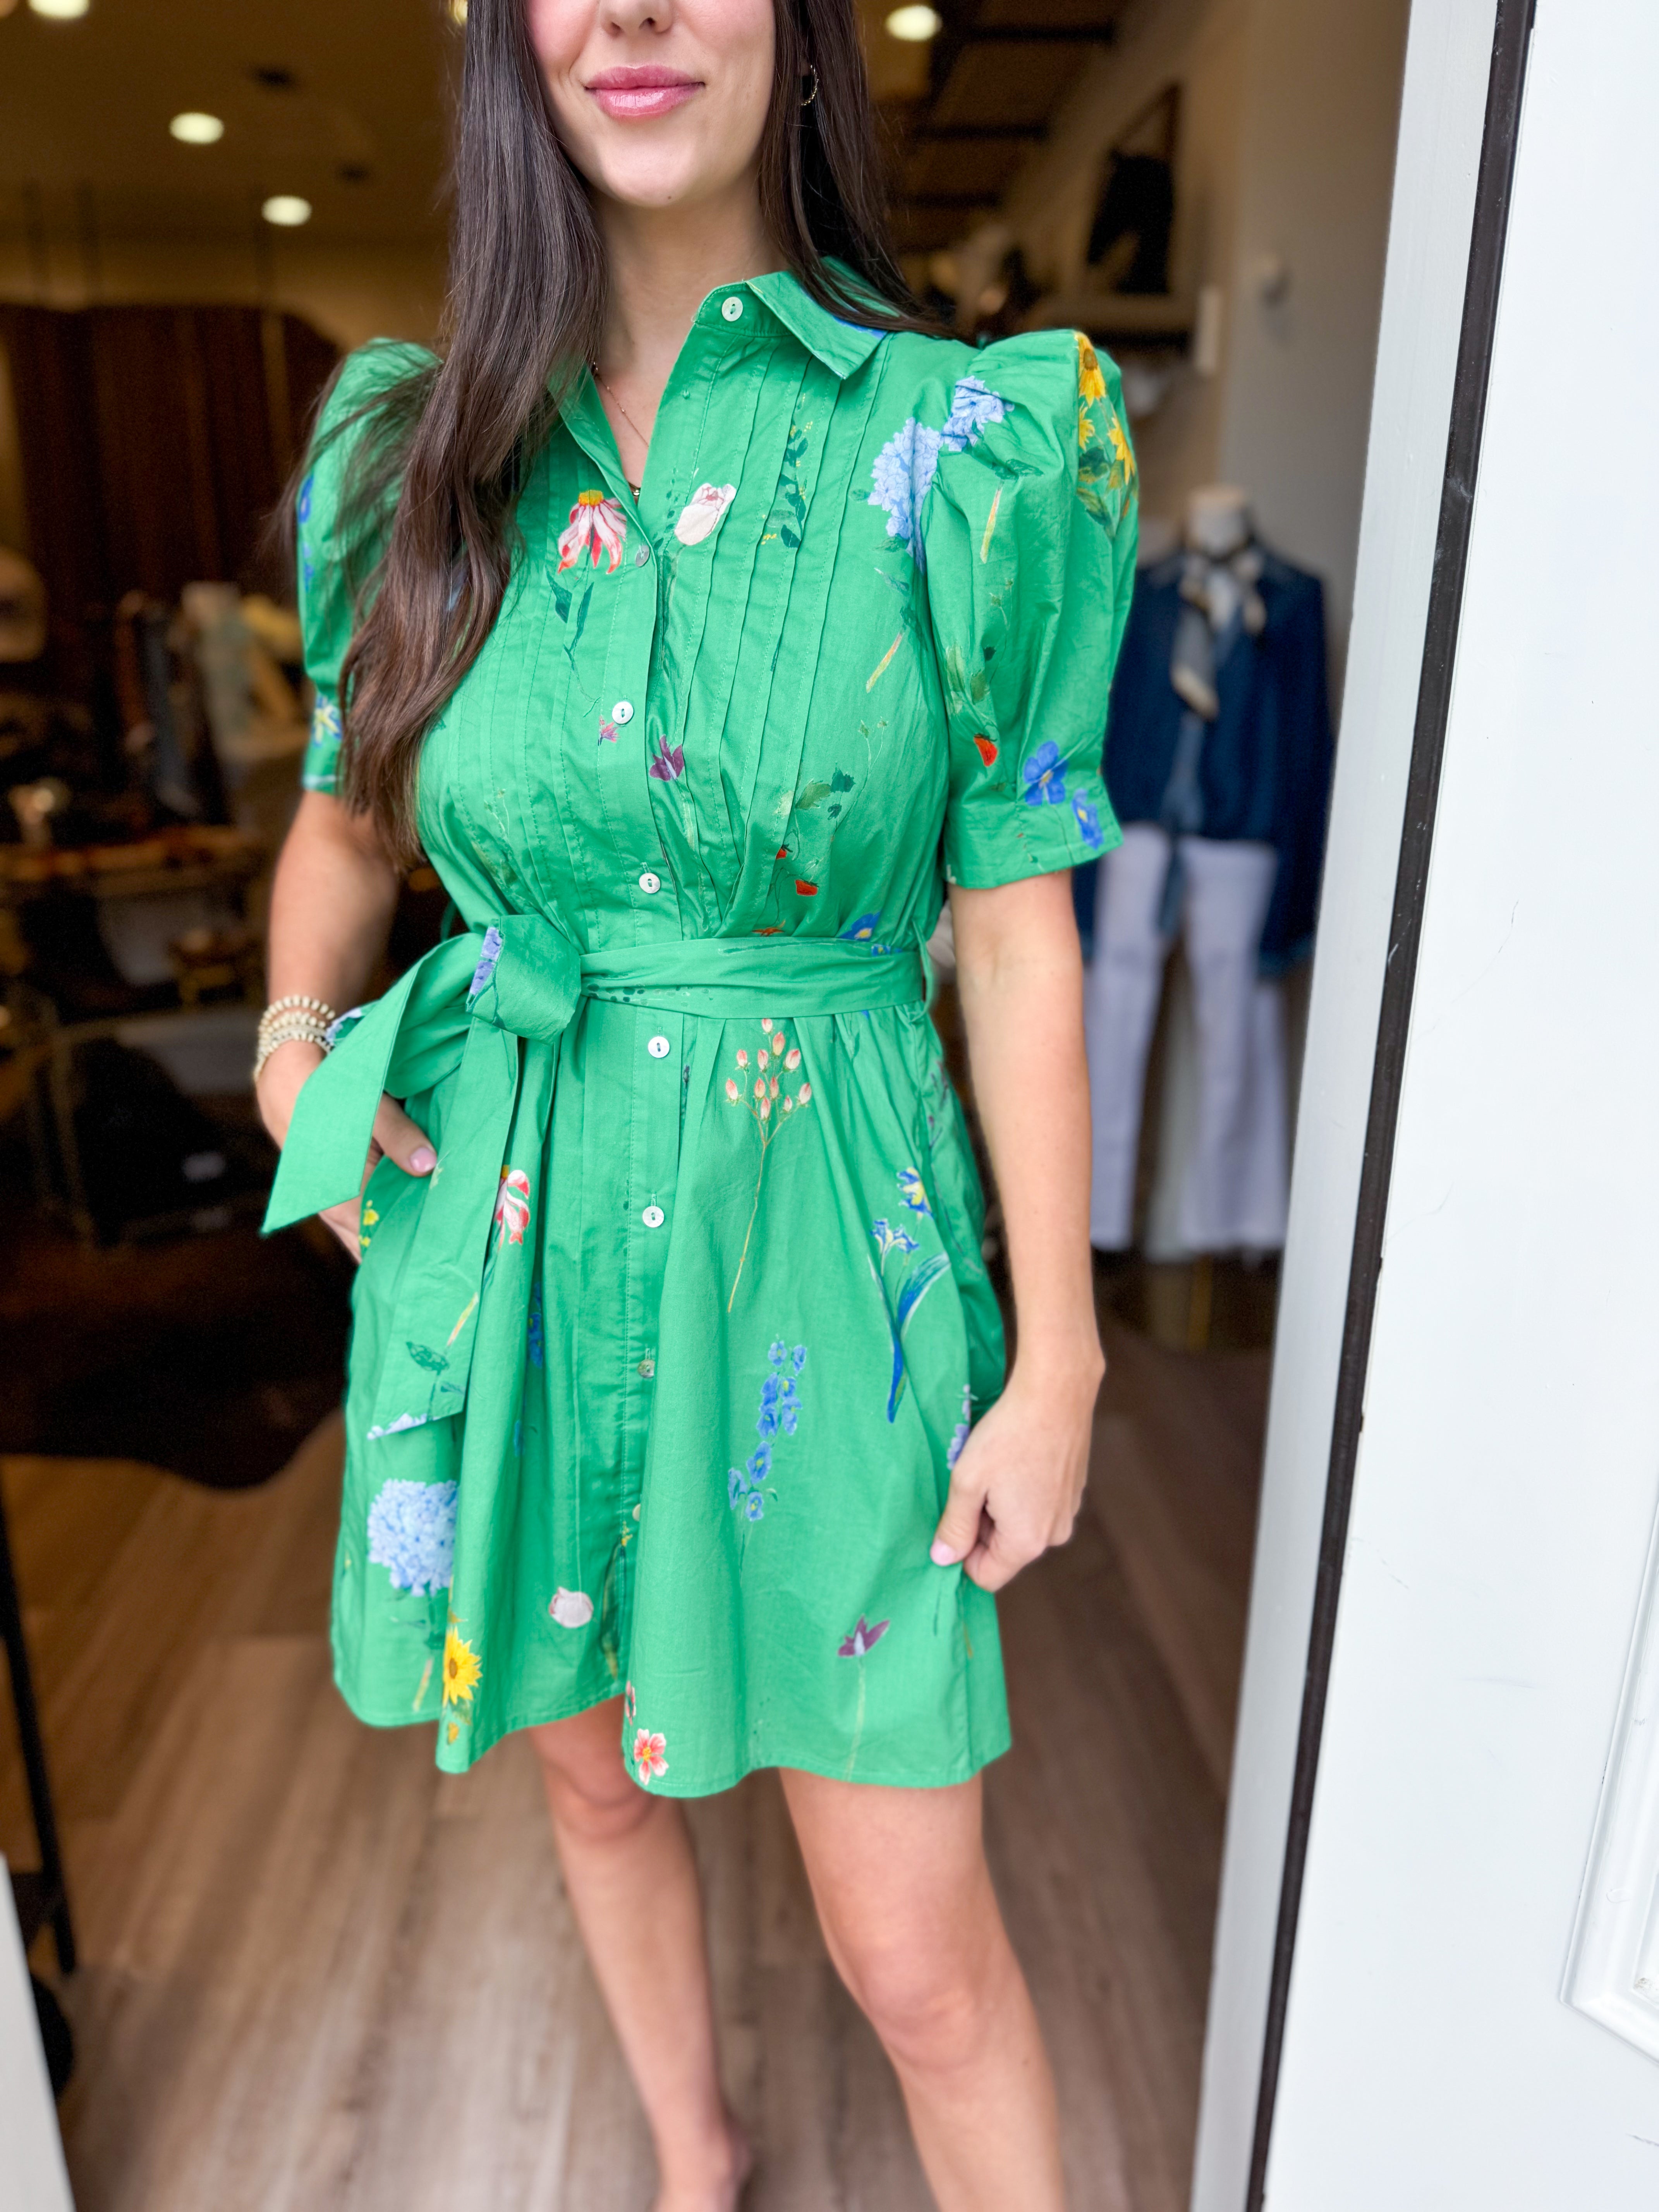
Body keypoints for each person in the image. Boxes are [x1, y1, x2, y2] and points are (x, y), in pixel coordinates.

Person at [254, 0, 1137, 2200]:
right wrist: (290, 1042)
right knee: (588, 1780)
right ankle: (691, 2159)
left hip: (830, 1245)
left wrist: (1061, 1358)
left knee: (916, 1954)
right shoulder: (410, 455)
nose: (636, 13)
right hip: (514, 1222)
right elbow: (347, 824)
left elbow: (1020, 931)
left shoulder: (969, 444)